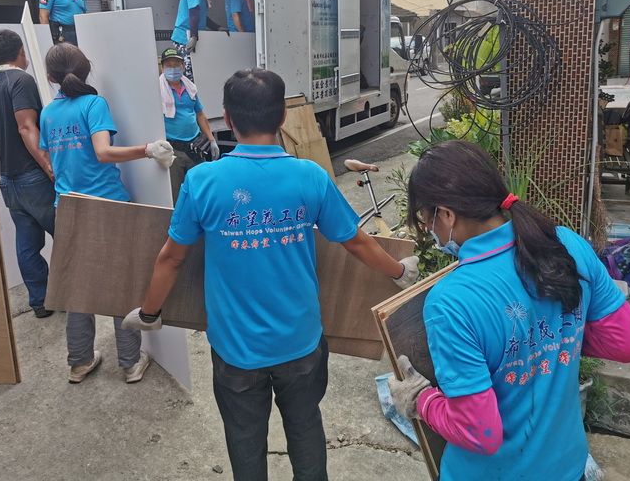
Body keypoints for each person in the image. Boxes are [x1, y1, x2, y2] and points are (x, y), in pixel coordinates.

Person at [122, 68, 419, 480]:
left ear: (228, 118)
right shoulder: (310, 177)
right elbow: (356, 242)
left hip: (235, 350)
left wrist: (150, 313)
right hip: (301, 344)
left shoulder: (202, 181)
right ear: (282, 116)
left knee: (245, 439)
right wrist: (400, 270)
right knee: (305, 427)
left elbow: (171, 259)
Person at [389, 140, 630, 481]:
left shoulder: (451, 300)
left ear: (447, 215)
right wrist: (554, 338)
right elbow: (627, 344)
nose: (430, 231)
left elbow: (480, 434)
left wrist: (421, 401)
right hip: (567, 467)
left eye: (427, 219)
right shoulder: (567, 244)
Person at [40, 42, 175, 384]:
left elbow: (53, 160)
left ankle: (80, 362)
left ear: (50, 77)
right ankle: (130, 363)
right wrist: (147, 149)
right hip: (107, 206)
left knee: (77, 288)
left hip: (67, 206)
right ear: (85, 69)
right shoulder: (93, 103)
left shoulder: (48, 113)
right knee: (121, 283)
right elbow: (102, 152)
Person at [0, 29, 56, 318]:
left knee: (27, 245)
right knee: (68, 236)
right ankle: (75, 295)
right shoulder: (21, 80)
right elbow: (26, 127)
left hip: (9, 181)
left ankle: (41, 302)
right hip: (33, 176)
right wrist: (49, 167)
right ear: (21, 51)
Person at [159, 47, 219, 201]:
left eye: (176, 65)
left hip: (195, 146)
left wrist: (211, 139)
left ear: (183, 67)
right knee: (176, 193)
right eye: (169, 66)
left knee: (201, 189)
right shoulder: (158, 90)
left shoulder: (190, 89)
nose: (173, 69)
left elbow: (200, 114)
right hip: (173, 149)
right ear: (162, 68)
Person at [171, 0, 222, 81]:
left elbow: (200, 15)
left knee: (195, 74)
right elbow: (193, 13)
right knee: (189, 76)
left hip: (188, 36)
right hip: (185, 38)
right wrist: (193, 36)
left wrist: (217, 27)